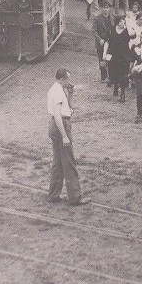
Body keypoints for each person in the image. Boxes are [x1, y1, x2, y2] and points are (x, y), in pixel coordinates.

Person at [47, 68, 89, 205]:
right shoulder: (58, 92)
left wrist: (70, 94)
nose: (69, 82)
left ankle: (53, 195)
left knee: (58, 162)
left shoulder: (56, 90)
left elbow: (69, 109)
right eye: (68, 79)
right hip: (61, 126)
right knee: (69, 162)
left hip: (55, 126)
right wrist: (64, 136)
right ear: (62, 79)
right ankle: (75, 197)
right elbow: (59, 115)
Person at [103, 16, 132, 102]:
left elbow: (132, 35)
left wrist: (128, 25)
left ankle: (122, 93)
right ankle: (115, 86)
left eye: (124, 21)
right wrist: (104, 53)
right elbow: (107, 42)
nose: (122, 23)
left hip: (124, 56)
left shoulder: (127, 31)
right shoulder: (111, 30)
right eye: (120, 21)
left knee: (123, 74)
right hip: (114, 55)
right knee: (114, 73)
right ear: (117, 22)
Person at [93, 2, 115, 84]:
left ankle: (111, 77)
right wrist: (99, 40)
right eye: (104, 7)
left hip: (110, 43)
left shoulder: (112, 18)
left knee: (110, 59)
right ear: (102, 8)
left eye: (107, 7)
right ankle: (104, 77)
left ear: (109, 8)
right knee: (102, 61)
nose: (106, 9)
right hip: (101, 44)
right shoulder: (97, 18)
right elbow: (94, 31)